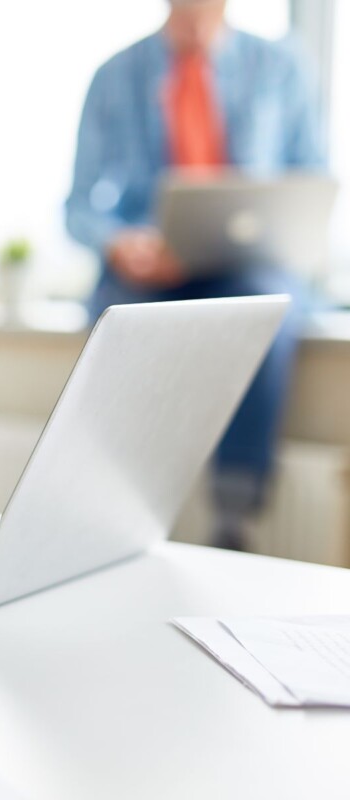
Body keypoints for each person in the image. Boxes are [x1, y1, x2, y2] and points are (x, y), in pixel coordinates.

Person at [64, 0, 325, 551]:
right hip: (144, 268)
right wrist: (119, 242)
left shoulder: (281, 68)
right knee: (114, 322)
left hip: (245, 264)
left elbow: (311, 179)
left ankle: (234, 511)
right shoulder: (115, 76)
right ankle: (103, 505)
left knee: (270, 305)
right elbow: (78, 206)